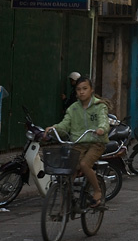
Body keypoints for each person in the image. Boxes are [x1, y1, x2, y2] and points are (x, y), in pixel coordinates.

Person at [46, 77, 109, 206]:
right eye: (79, 89)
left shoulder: (99, 106)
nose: (81, 92)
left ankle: (97, 191)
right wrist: (55, 128)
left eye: (85, 89)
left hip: (96, 143)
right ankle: (67, 202)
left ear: (91, 90)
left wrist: (101, 129)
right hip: (78, 143)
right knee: (69, 169)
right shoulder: (73, 109)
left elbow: (104, 120)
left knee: (85, 164)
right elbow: (65, 124)